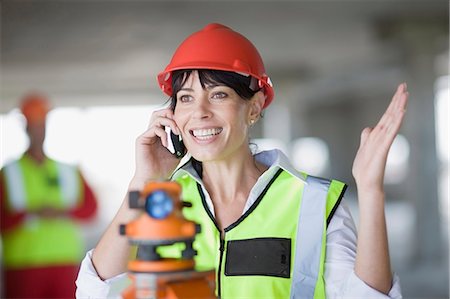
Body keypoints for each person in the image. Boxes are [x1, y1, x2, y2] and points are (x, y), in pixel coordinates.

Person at [76, 23, 407, 298]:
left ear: (254, 107)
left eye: (219, 95)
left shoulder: (313, 201)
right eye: (186, 98)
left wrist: (371, 189)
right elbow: (95, 292)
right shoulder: (159, 201)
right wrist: (143, 182)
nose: (200, 112)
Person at [0, 93, 98, 298]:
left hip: (65, 262)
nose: (38, 131)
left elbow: (91, 209)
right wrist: (32, 213)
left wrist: (60, 212)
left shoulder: (68, 171)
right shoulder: (8, 173)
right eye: (33, 124)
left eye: (41, 124)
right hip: (23, 264)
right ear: (25, 127)